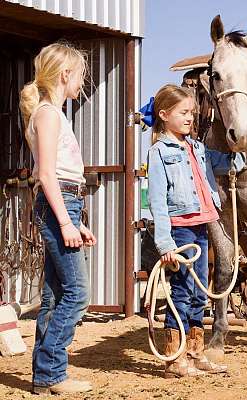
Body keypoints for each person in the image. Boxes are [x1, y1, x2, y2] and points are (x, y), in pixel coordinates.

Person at [146, 84, 245, 377]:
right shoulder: (159, 153)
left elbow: (230, 163)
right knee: (182, 293)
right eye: (183, 113)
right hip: (180, 230)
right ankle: (175, 359)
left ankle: (194, 352)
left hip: (201, 226)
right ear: (164, 115)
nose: (190, 118)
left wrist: (237, 145)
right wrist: (164, 244)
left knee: (200, 293)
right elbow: (158, 201)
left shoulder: (198, 148)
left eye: (192, 112)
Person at [20, 42, 97, 394]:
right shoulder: (49, 114)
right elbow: (48, 175)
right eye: (81, 74)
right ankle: (53, 372)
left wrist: (75, 220)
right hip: (58, 203)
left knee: (53, 294)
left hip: (63, 204)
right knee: (78, 293)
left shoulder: (54, 114)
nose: (82, 81)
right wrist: (65, 221)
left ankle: (43, 376)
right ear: (66, 74)